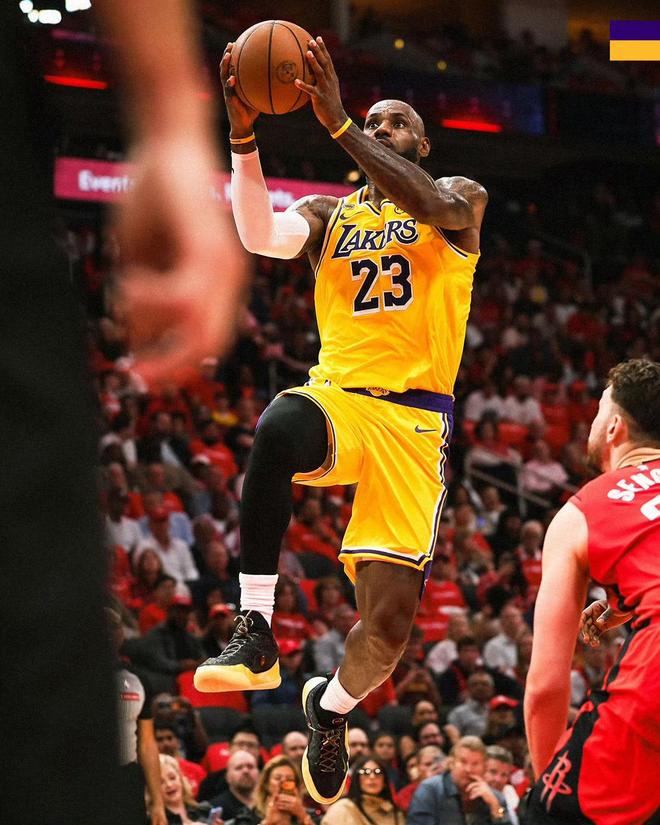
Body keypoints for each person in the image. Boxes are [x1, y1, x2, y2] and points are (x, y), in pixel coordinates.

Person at [194, 34, 487, 807]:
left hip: (415, 424)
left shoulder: (458, 197)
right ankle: (255, 626)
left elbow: (430, 203)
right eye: (374, 121)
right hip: (342, 399)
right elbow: (260, 236)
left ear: (422, 144)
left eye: (397, 123)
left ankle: (328, 707)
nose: (383, 128)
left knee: (386, 632)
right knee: (277, 425)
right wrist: (242, 136)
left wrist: (340, 124)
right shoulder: (330, 215)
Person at [524, 359, 660, 824]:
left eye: (600, 411)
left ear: (615, 427)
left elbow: (546, 685)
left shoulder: (581, 512)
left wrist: (548, 785)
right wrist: (624, 603)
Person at [109, 607, 167, 825]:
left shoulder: (137, 679)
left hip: (127, 777)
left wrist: (157, 802)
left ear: (121, 634)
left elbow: (147, 744)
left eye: (113, 628)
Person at [407, 736, 511, 824]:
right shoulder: (430, 789)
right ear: (452, 763)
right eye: (463, 762)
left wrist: (495, 807)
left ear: (484, 767)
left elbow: (504, 816)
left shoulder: (495, 797)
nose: (468, 769)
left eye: (475, 764)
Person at [230, 755, 320, 825]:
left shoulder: (309, 814)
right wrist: (267, 822)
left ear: (296, 785)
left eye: (289, 779)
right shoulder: (248, 815)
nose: (283, 782)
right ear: (266, 784)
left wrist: (302, 816)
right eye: (277, 778)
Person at [322, 755, 404, 824]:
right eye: (365, 772)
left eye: (378, 772)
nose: (372, 777)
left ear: (385, 780)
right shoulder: (342, 809)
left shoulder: (394, 812)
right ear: (357, 779)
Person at [157, 754, 222, 825]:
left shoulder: (204, 810)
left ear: (181, 779)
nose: (169, 785)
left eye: (172, 778)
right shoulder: (155, 821)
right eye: (161, 782)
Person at [208, 750, 260, 821]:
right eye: (239, 768)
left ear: (258, 773)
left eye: (250, 767)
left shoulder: (268, 805)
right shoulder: (216, 808)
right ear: (227, 777)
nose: (246, 771)